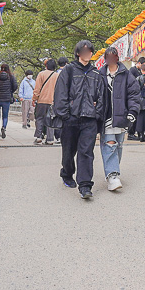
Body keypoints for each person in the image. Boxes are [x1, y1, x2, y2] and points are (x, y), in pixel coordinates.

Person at [52, 40, 107, 200]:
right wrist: (65, 114)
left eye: (89, 51)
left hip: (89, 120)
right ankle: (67, 173)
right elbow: (60, 93)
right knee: (68, 151)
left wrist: (97, 114)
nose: (87, 54)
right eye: (83, 51)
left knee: (86, 152)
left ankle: (85, 185)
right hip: (71, 119)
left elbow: (101, 96)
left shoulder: (96, 74)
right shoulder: (68, 70)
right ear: (77, 53)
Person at [99, 47, 140, 191]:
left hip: (122, 116)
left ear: (117, 57)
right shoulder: (100, 75)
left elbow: (134, 95)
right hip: (106, 118)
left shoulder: (127, 75)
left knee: (118, 145)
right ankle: (113, 176)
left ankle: (113, 171)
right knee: (110, 144)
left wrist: (133, 111)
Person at [32, 59, 59, 145]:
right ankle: (50, 138)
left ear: (46, 66)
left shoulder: (41, 74)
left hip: (42, 100)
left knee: (39, 118)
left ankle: (39, 137)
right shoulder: (57, 76)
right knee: (51, 119)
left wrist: (34, 98)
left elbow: (37, 88)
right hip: (52, 101)